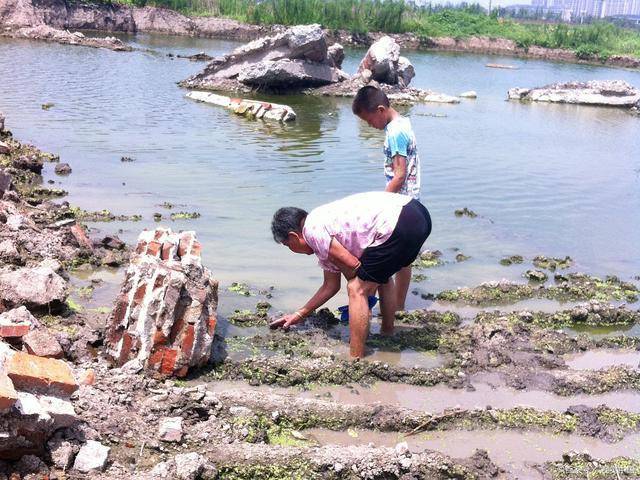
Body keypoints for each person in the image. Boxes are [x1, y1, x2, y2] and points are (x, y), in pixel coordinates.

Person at [269, 191, 431, 358]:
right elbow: (330, 286)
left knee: (356, 288)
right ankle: (387, 332)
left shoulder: (312, 231)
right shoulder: (321, 221)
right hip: (417, 214)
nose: (292, 250)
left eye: (288, 245)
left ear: (293, 236)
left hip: (397, 221)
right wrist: (299, 314)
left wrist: (361, 299)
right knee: (381, 277)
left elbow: (353, 266)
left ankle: (356, 358)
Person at [352, 86, 421, 311]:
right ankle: (398, 305)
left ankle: (384, 304)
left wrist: (381, 203)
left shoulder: (394, 133)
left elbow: (399, 174)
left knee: (383, 256)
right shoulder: (403, 123)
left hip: (399, 205)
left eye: (369, 120)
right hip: (411, 202)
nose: (370, 125)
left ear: (381, 110)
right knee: (404, 259)